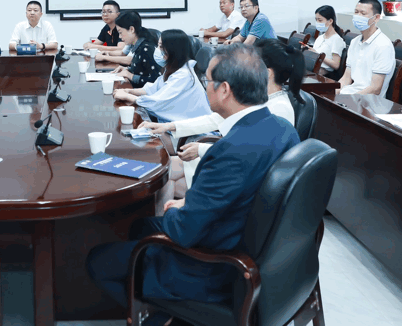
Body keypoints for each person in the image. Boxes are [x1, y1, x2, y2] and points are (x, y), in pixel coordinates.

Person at [87, 44, 299, 308]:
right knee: (140, 226)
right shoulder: (283, 128)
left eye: (207, 81)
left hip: (213, 268)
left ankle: (163, 315)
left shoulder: (230, 151)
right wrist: (189, 203)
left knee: (98, 260)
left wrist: (175, 208)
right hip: (257, 246)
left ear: (224, 90)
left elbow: (184, 231)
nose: (204, 87)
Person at [141, 38, 304, 198]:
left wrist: (202, 149)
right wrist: (168, 126)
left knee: (165, 180)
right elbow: (216, 120)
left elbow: (251, 153)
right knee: (164, 174)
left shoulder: (280, 108)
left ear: (266, 73)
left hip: (239, 175)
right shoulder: (260, 98)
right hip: (226, 160)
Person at [113, 29, 212, 125]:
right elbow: (153, 88)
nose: (157, 50)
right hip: (178, 124)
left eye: (160, 46)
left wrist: (127, 96)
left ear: (172, 50)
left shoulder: (183, 76)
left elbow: (157, 103)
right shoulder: (173, 69)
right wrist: (129, 91)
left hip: (192, 129)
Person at [338, 0, 396, 96]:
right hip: (349, 94)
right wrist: (332, 93)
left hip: (367, 100)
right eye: (356, 12)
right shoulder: (354, 42)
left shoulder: (383, 45)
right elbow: (346, 79)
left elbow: (375, 89)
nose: (358, 16)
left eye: (363, 13)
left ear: (376, 18)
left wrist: (349, 99)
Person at [111, 11, 161, 88]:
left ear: (131, 29)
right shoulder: (136, 44)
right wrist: (128, 69)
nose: (120, 37)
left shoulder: (145, 49)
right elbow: (142, 69)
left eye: (120, 33)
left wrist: (130, 75)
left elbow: (156, 80)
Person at [302, 4, 347, 75]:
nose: (317, 23)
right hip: (311, 68)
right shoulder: (320, 37)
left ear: (330, 21)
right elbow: (316, 54)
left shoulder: (336, 40)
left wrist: (318, 56)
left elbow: (336, 64)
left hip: (321, 73)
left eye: (320, 20)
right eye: (316, 20)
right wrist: (309, 51)